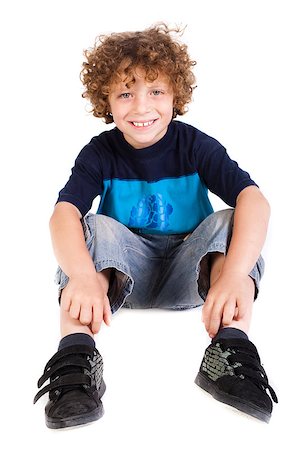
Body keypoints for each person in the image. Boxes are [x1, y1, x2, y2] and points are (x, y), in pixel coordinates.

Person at [33, 23, 278, 428]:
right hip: (120, 278)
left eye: (156, 91)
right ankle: (75, 360)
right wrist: (82, 275)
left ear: (175, 96)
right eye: (125, 93)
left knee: (230, 221)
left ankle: (230, 352)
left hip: (193, 274)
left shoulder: (194, 144)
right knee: (93, 226)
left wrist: (234, 273)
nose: (141, 107)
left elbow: (254, 198)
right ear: (106, 102)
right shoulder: (100, 153)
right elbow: (63, 213)